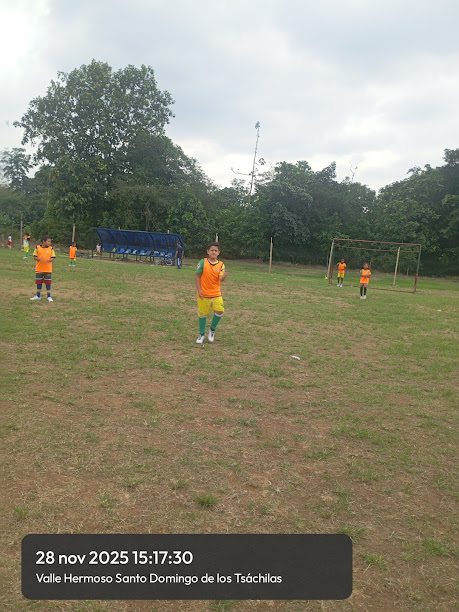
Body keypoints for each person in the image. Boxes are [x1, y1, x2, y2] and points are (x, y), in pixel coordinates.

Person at [195, 242, 227, 344]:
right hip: (204, 294)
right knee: (202, 314)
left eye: (215, 251)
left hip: (216, 293)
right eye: (212, 250)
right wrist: (199, 290)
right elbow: (197, 276)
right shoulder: (202, 262)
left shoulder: (221, 264)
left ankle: (212, 330)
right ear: (208, 252)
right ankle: (201, 335)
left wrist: (224, 276)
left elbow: (221, 279)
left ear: (219, 253)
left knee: (220, 311)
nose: (213, 252)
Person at [31, 236, 55, 302]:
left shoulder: (51, 249)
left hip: (48, 270)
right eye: (48, 241)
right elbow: (34, 257)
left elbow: (53, 258)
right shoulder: (37, 248)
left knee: (48, 283)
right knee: (39, 283)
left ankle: (49, 296)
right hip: (39, 269)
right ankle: (38, 296)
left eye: (50, 241)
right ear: (43, 242)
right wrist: (38, 259)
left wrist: (49, 260)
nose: (50, 243)